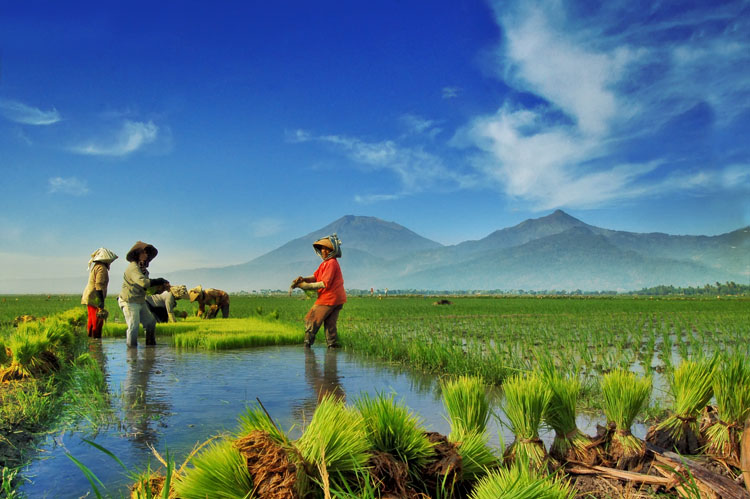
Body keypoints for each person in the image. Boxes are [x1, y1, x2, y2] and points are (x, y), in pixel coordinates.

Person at [290, 234, 346, 348]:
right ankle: (332, 346)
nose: (323, 251)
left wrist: (304, 286)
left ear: (332, 250)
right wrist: (304, 279)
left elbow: (324, 283)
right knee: (330, 324)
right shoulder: (326, 263)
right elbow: (316, 276)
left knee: (312, 318)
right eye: (322, 249)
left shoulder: (331, 263)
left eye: (326, 248)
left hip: (329, 298)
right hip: (338, 299)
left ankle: (307, 346)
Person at [118, 241, 168, 347]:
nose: (146, 255)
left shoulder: (144, 271)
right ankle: (131, 353)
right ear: (138, 254)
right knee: (133, 326)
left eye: (147, 253)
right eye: (144, 253)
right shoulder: (133, 268)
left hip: (140, 301)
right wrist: (159, 280)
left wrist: (160, 289)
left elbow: (147, 290)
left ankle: (150, 348)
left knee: (150, 322)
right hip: (129, 301)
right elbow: (143, 283)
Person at [81, 247, 118, 338]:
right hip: (94, 298)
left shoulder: (97, 266)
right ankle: (96, 345)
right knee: (97, 322)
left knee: (92, 321)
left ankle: (91, 342)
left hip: (91, 297)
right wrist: (101, 302)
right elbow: (99, 285)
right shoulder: (101, 268)